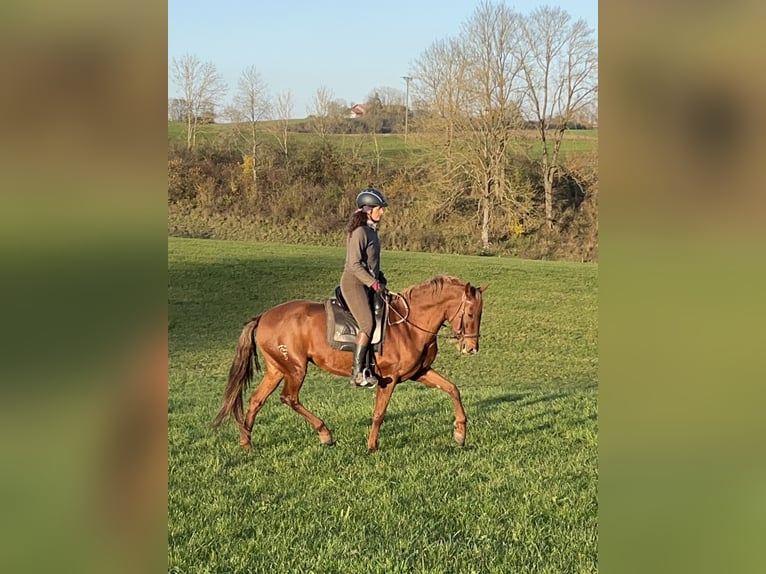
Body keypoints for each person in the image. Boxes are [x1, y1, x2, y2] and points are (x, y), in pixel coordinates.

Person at [340, 187, 389, 387]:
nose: (383, 212)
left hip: (368, 284)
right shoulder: (359, 232)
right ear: (369, 210)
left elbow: (371, 264)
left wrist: (380, 278)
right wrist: (373, 282)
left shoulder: (372, 231)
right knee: (367, 324)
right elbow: (354, 264)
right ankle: (357, 373)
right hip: (353, 284)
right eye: (380, 208)